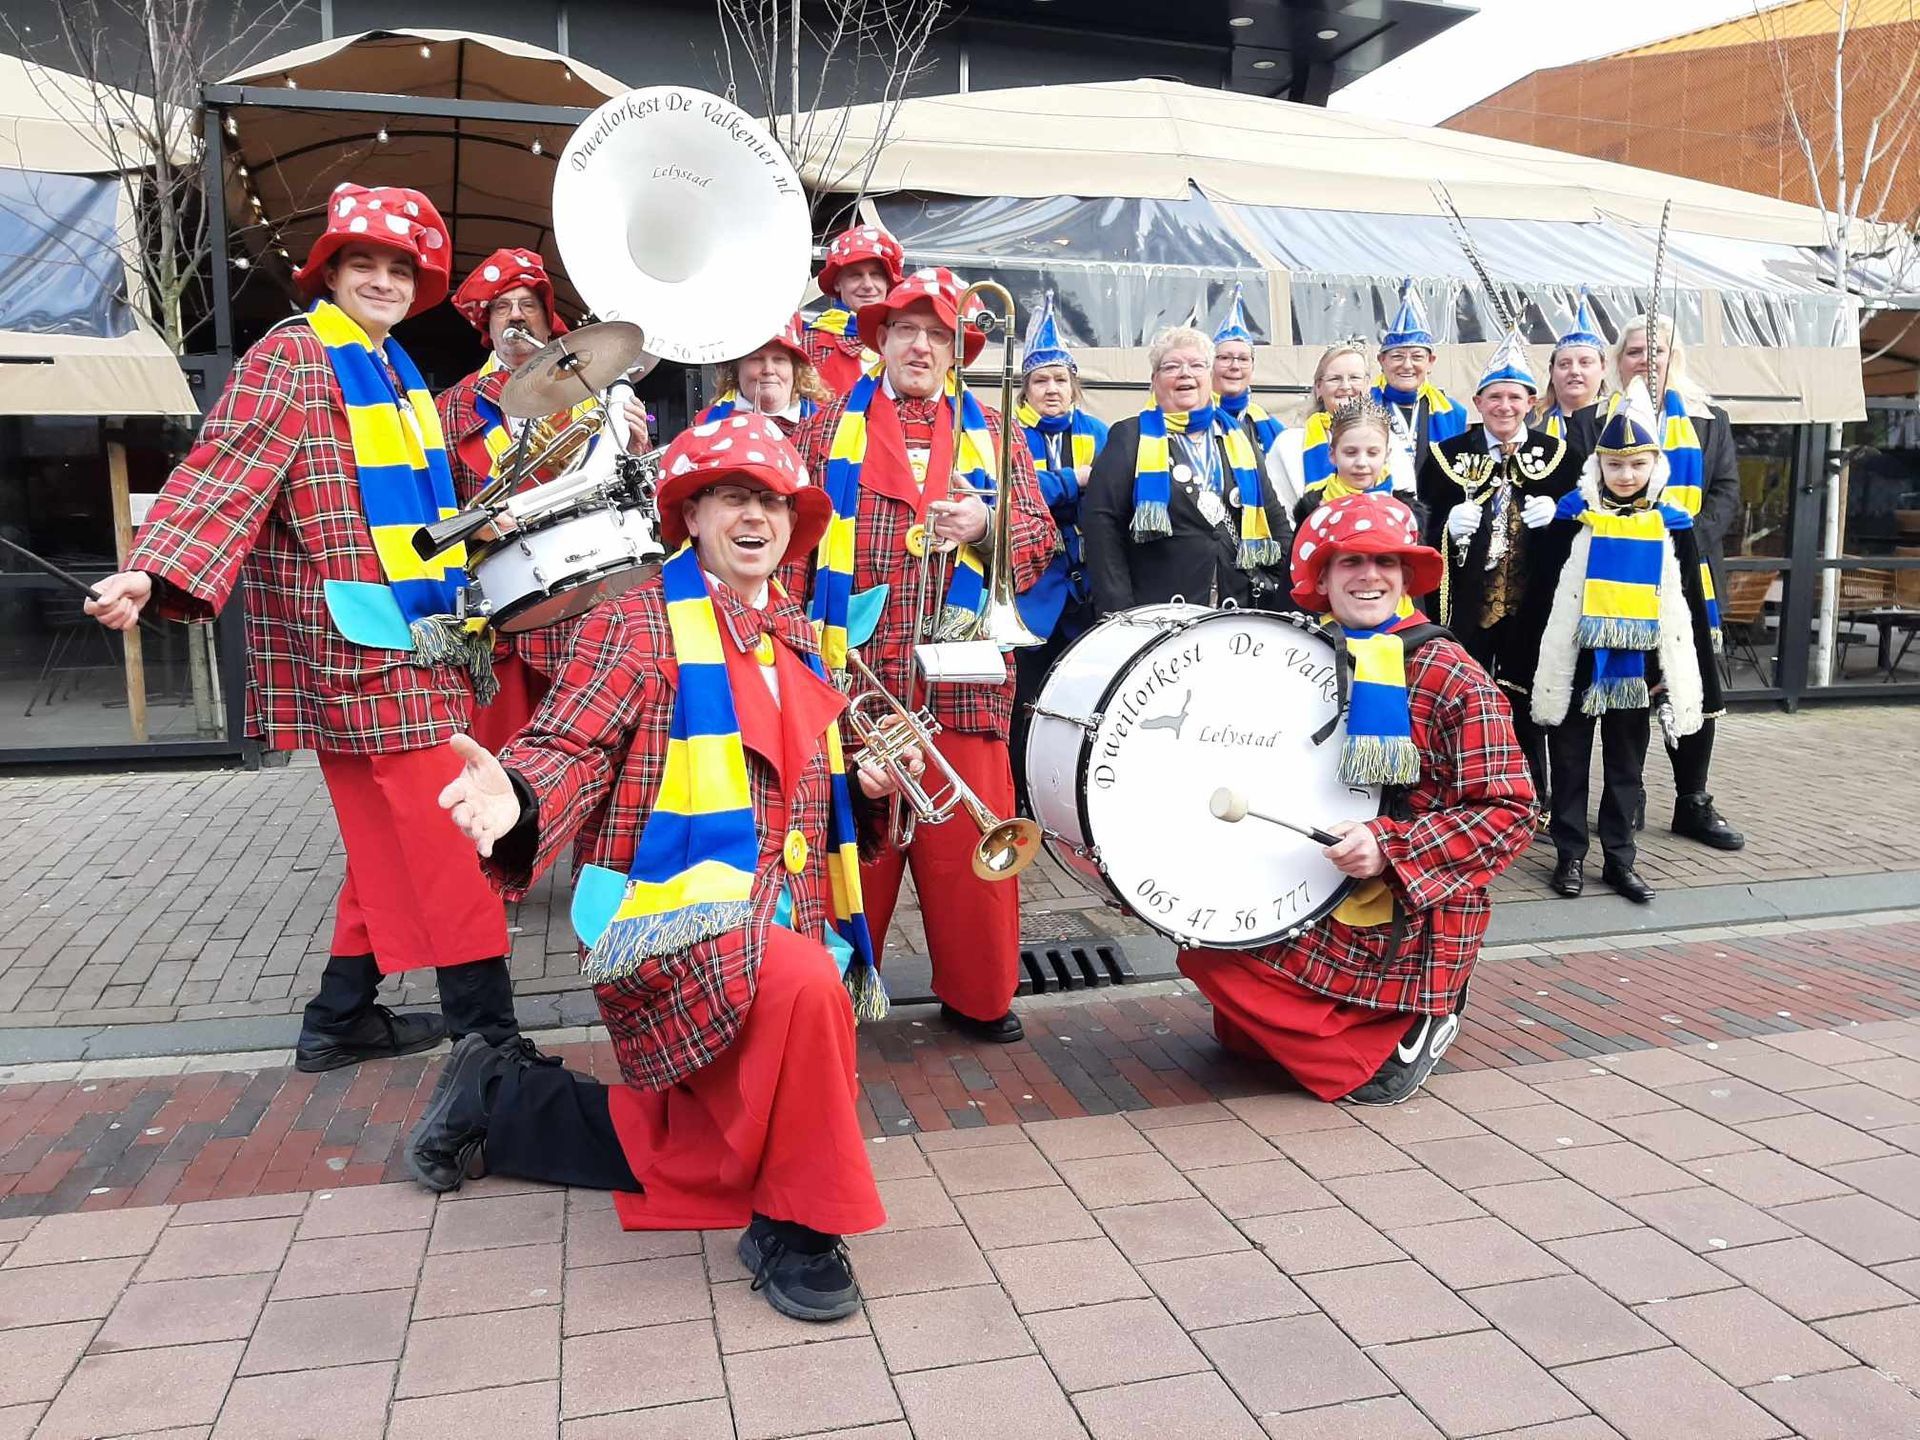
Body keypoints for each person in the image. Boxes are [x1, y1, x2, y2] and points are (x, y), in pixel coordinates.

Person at [418, 414, 889, 1322]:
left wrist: (863, 784)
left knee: (722, 1137)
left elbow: (810, 782)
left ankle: (504, 1101)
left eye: (773, 502)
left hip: (778, 912)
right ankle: (797, 1227)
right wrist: (519, 797)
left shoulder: (797, 632)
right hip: (667, 917)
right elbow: (573, 743)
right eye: (732, 497)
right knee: (805, 993)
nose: (755, 517)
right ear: (692, 515)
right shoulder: (635, 622)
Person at [85, 185, 532, 1073]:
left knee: (392, 837)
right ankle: (492, 1050)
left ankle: (339, 1017)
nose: (382, 279)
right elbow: (226, 467)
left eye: (399, 267)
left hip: (415, 640)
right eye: (363, 262)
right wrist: (153, 568)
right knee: (452, 834)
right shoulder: (294, 355)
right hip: (366, 649)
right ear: (329, 273)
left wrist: (482, 524)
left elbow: (410, 523)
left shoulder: (396, 370)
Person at [1176, 491, 1535, 1105]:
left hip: (1405, 903)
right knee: (1204, 944)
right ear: (1322, 578)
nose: (1369, 576)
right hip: (1305, 871)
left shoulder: (1453, 676)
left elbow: (1512, 814)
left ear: (1406, 578)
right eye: (1351, 562)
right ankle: (1343, 1021)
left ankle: (1412, 1022)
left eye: (1386, 562)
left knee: (1344, 1069)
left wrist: (1390, 846)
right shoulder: (1290, 657)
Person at [789, 267, 1058, 1043]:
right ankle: (837, 994)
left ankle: (979, 996)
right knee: (854, 848)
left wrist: (986, 525)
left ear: (955, 350)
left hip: (963, 683)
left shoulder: (995, 432)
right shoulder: (820, 431)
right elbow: (793, 557)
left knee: (967, 851)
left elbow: (1039, 541)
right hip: (857, 683)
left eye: (936, 335)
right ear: (880, 340)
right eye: (905, 330)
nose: (919, 346)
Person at [437, 248, 650, 749]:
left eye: (528, 305)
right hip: (500, 618)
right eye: (502, 306)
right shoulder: (450, 406)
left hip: (591, 605)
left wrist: (633, 450)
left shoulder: (593, 393)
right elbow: (433, 508)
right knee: (504, 759)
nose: (515, 316)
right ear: (487, 324)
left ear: (546, 317)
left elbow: (633, 500)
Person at [1525, 381, 1724, 903]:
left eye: (1637, 465)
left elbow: (1684, 603)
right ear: (1599, 466)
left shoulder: (1672, 524)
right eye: (1615, 465)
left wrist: (1669, 671)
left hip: (1636, 668)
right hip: (1577, 660)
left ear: (1654, 465)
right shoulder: (1571, 517)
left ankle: (1619, 859)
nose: (1626, 475)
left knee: (1626, 769)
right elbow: (1544, 594)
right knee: (1569, 763)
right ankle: (1569, 854)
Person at [1419, 328, 1581, 802]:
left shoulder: (1562, 459)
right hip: (1468, 605)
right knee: (1463, 696)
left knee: (1528, 698)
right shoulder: (1446, 457)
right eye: (1495, 397)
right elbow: (1421, 528)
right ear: (1478, 402)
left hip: (1532, 604)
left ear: (1531, 402)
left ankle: (1532, 798)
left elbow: (1584, 536)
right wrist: (1447, 528)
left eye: (1514, 397)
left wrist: (1562, 518)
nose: (1504, 406)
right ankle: (1459, 792)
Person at [1610, 316, 1745, 852]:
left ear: (1675, 357)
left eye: (1657, 350)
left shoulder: (1710, 419)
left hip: (1691, 578)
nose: (1646, 359)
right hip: (1619, 577)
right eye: (1634, 351)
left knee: (1693, 688)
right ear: (1619, 361)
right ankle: (1629, 796)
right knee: (1628, 692)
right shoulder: (1599, 419)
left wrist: (1681, 544)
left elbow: (1726, 493)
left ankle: (1693, 800)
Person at [1083, 325, 1291, 614]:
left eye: (1197, 365)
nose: (1185, 373)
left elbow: (1274, 518)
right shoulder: (1130, 436)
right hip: (1160, 614)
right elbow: (1101, 526)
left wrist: (1287, 593)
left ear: (1210, 376)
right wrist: (1119, 611)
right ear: (1154, 381)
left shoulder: (1239, 437)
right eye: (1171, 366)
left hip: (1237, 613)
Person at [1010, 291, 1109, 810]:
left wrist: (1054, 487)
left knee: (1082, 696)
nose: (1052, 389)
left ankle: (1074, 792)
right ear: (1026, 388)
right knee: (1026, 698)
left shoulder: (1100, 432)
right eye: (1040, 381)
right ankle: (1021, 793)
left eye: (1060, 380)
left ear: (1074, 385)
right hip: (1033, 589)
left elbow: (1111, 493)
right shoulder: (1008, 432)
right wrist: (1075, 480)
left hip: (1086, 587)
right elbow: (1016, 491)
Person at [1373, 279, 1468, 490]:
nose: (1407, 365)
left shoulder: (1453, 413)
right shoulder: (1364, 405)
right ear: (1382, 360)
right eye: (1397, 356)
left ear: (1430, 362)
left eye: (1417, 356)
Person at [802, 223, 906, 397]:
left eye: (876, 275)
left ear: (888, 282)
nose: (868, 285)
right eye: (855, 275)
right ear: (837, 283)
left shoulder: (907, 338)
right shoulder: (812, 341)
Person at [1270, 339, 1371, 510]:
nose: (1345, 386)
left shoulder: (1388, 441)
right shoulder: (1288, 444)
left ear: (1367, 386)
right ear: (1318, 388)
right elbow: (1277, 509)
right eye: (1335, 379)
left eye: (1354, 378)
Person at [698, 314, 830, 434]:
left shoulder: (825, 423)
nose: (768, 369)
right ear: (736, 368)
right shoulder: (705, 425)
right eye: (756, 359)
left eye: (779, 359)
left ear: (795, 369)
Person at [1211, 282, 1284, 471]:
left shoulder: (1268, 425)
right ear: (1209, 365)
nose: (1235, 366)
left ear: (1252, 367)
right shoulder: (1195, 418)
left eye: (1243, 359)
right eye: (1225, 358)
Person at [1535, 288, 1607, 449]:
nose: (1574, 371)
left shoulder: (1617, 420)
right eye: (1564, 364)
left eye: (1585, 362)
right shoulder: (1529, 421)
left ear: (1603, 368)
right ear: (1551, 371)